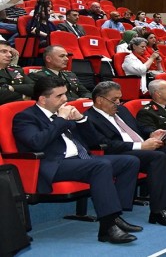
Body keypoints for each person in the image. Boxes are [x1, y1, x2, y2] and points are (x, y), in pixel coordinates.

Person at [12, 77, 141, 244]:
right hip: (54, 164)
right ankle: (108, 227)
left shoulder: (65, 113)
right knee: (100, 165)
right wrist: (60, 120)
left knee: (129, 161)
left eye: (65, 94)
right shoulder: (26, 117)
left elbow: (93, 141)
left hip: (81, 159)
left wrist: (81, 119)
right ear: (43, 99)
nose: (65, 99)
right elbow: (36, 143)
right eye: (59, 96)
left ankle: (115, 216)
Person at [84, 81, 166, 225]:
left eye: (120, 98)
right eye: (114, 99)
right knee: (157, 157)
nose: (118, 102)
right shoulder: (89, 118)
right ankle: (159, 211)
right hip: (122, 152)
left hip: (142, 147)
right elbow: (106, 144)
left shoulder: (122, 110)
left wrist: (152, 133)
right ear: (99, 100)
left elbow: (138, 128)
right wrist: (140, 146)